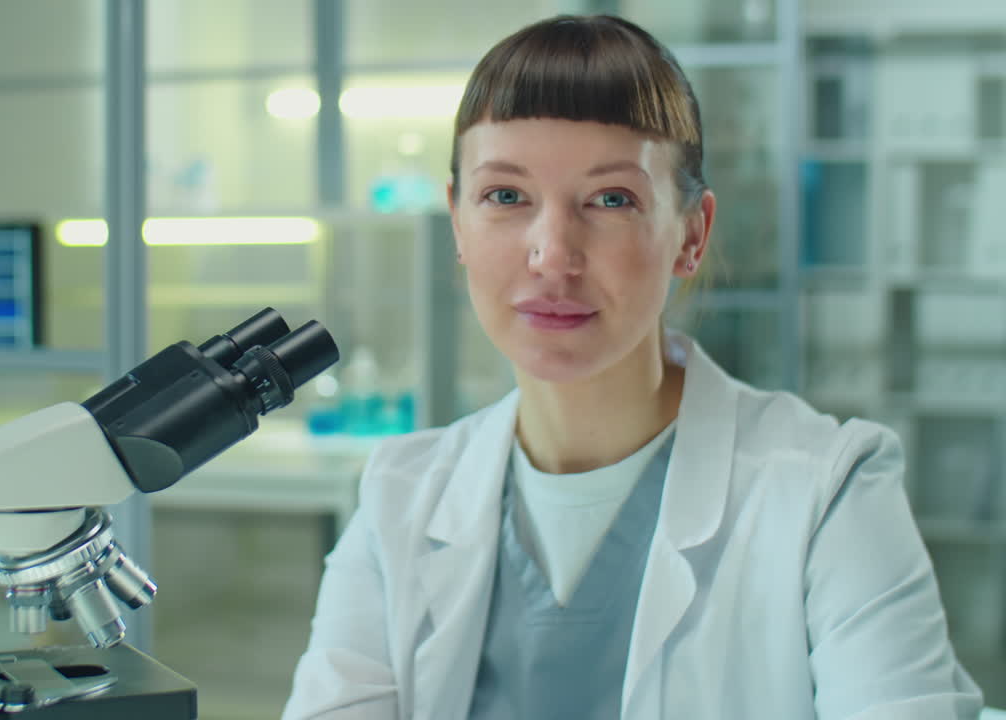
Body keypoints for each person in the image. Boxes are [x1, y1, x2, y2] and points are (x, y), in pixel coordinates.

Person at [283, 14, 982, 720]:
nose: (552, 253)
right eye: (505, 196)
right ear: (457, 223)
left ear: (692, 235)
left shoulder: (830, 493)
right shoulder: (399, 497)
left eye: (611, 199)